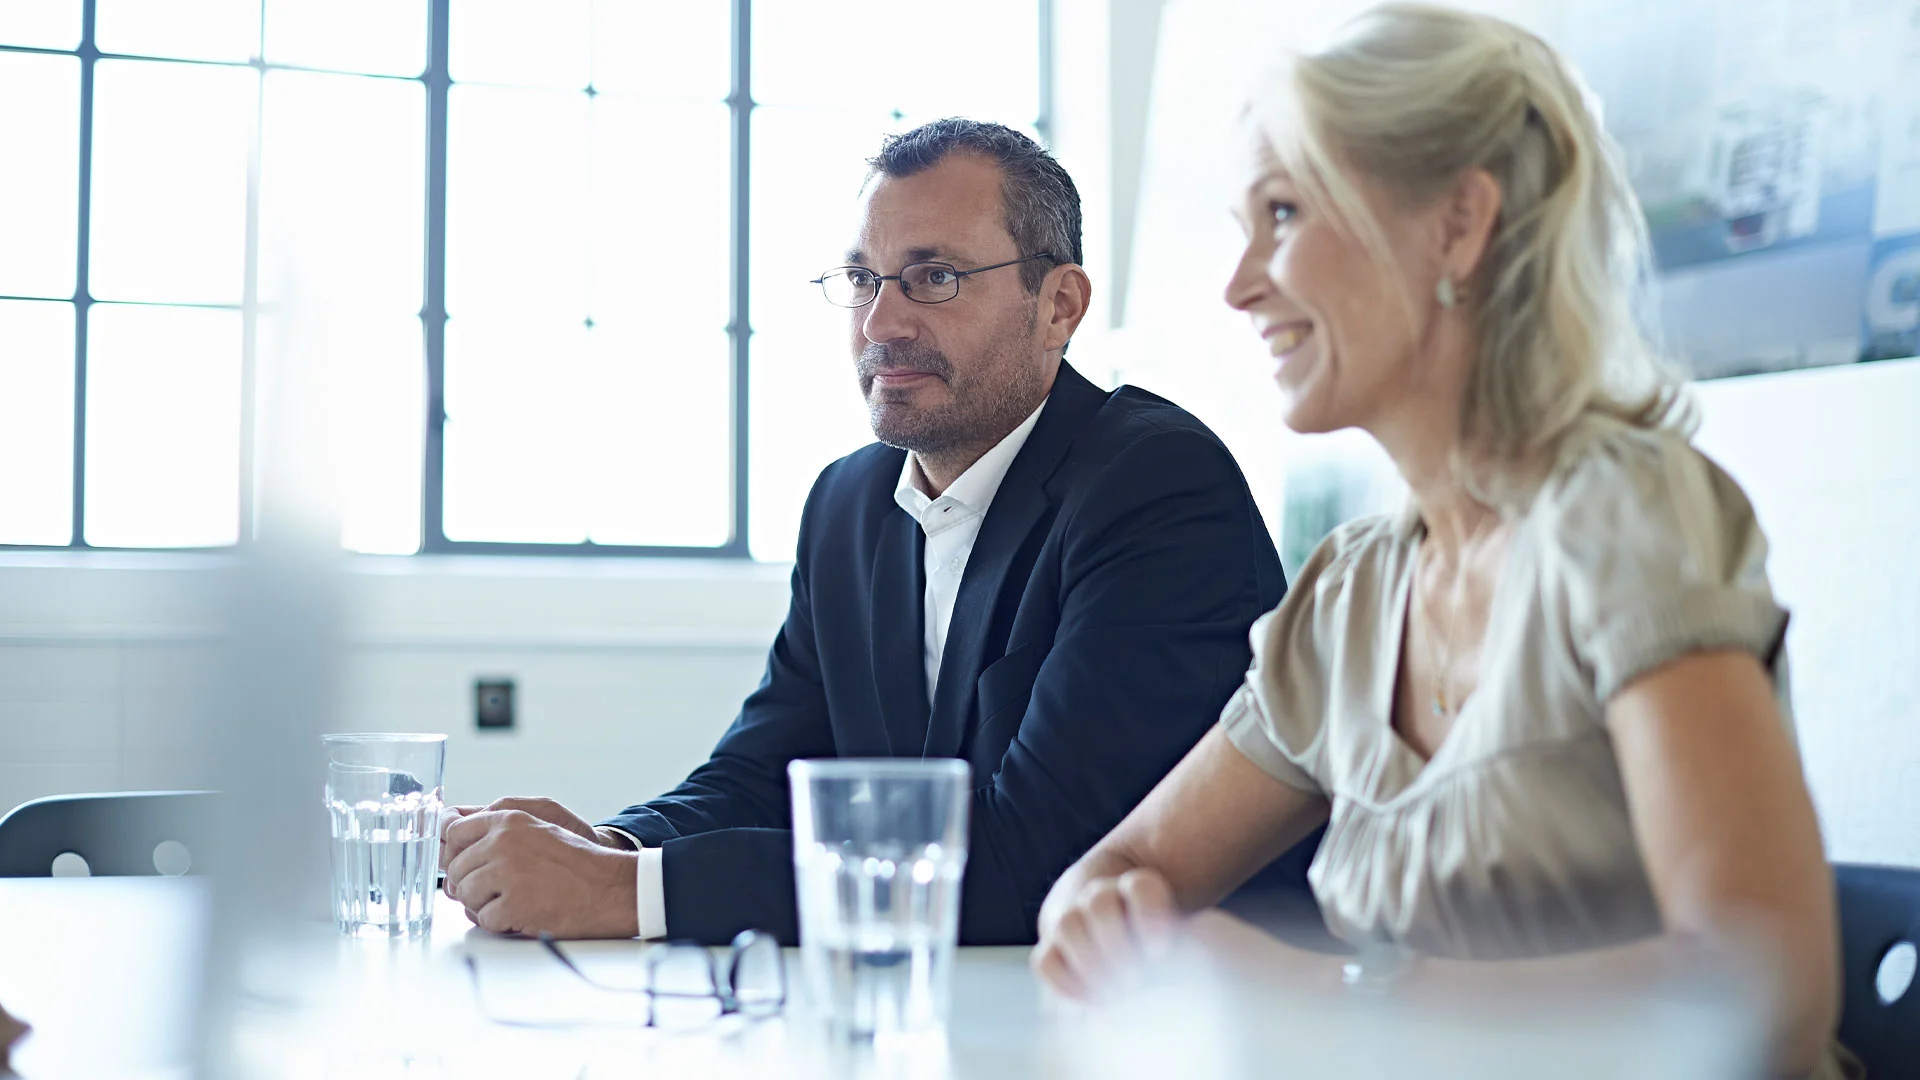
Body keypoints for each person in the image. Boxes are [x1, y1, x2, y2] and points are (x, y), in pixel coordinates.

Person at [1030, 6, 1853, 1078]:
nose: (1239, 284)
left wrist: (1329, 997)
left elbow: (1767, 991)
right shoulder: (1349, 594)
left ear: (1457, 224)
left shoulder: (1623, 515)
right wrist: (1101, 916)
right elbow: (1119, 865)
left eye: (1283, 212)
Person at [439, 119, 1289, 947]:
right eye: (862, 279)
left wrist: (627, 893)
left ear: (1058, 305)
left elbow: (1046, 859)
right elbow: (765, 775)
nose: (880, 325)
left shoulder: (1157, 486)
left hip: (1188, 1015)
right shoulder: (847, 504)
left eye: (935, 278)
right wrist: (610, 848)